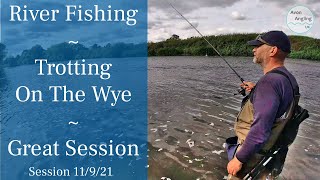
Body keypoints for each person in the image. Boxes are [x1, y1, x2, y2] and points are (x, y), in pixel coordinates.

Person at [226, 30, 299, 179]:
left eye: (258, 46)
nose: (254, 49)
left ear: (273, 50)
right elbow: (280, 104)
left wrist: (239, 159)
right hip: (271, 153)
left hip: (254, 156)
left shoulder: (269, 83)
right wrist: (256, 90)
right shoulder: (287, 78)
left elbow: (260, 131)